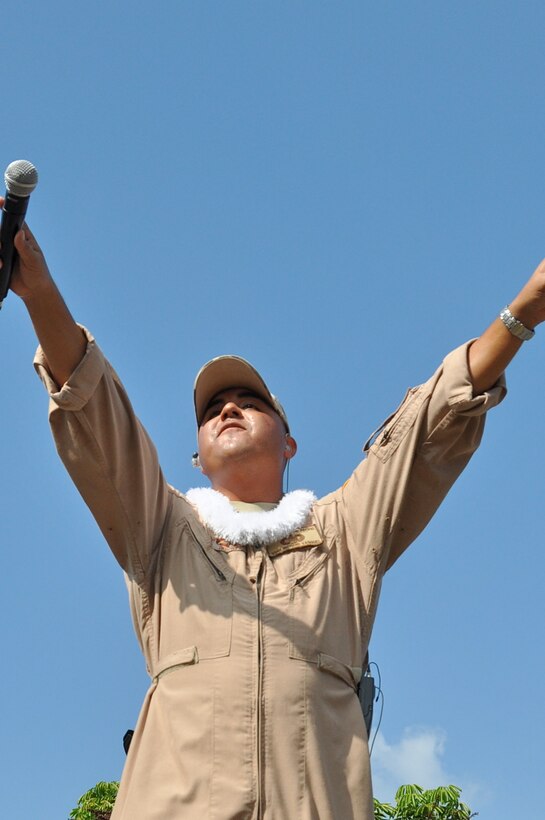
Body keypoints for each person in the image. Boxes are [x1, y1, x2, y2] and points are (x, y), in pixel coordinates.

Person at [5, 210, 545, 820]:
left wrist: (525, 308)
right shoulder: (163, 527)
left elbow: (426, 430)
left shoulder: (343, 532)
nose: (229, 409)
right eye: (213, 410)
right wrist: (39, 290)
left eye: (250, 401)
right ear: (197, 455)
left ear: (288, 442)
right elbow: (98, 415)